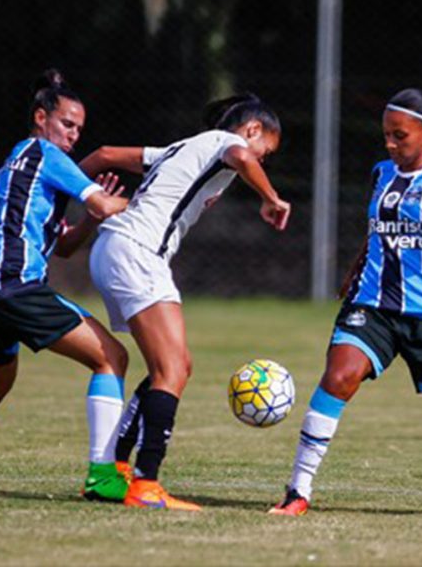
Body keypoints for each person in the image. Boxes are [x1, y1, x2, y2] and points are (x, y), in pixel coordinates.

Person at [0, 69, 132, 502]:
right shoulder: (43, 153)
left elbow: (66, 248)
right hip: (12, 284)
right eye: (67, 124)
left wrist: (93, 219)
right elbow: (103, 199)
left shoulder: (23, 167)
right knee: (111, 356)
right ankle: (102, 474)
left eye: (78, 128)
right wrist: (162, 197)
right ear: (41, 118)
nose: (73, 135)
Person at [269, 88, 422, 516]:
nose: (390, 143)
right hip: (372, 306)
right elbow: (380, 226)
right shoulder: (382, 172)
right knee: (339, 376)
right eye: (386, 134)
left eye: (399, 135)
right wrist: (356, 266)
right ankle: (297, 492)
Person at [82, 93, 292, 510]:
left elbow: (104, 154)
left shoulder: (180, 148)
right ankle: (145, 485)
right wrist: (270, 196)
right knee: (172, 368)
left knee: (176, 366)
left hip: (114, 249)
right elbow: (242, 157)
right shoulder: (222, 142)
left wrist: (63, 191)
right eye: (266, 151)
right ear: (252, 131)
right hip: (138, 251)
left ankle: (120, 470)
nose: (261, 162)